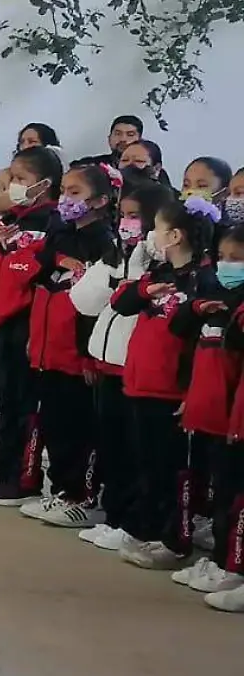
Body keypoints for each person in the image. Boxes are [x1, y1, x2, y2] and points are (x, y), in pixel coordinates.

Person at [109, 197, 219, 571]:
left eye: (155, 228)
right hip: (141, 385)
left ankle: (177, 540)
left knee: (174, 471)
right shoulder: (159, 274)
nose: (150, 235)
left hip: (173, 391)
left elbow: (198, 341)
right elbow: (121, 301)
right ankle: (148, 529)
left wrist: (191, 392)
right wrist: (144, 291)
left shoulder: (203, 281)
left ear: (173, 235)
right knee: (147, 465)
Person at [18, 163, 120, 528]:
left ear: (101, 200)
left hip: (79, 353)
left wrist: (90, 354)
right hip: (49, 348)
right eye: (64, 191)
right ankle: (61, 489)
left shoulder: (105, 243)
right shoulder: (60, 234)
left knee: (80, 427)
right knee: (55, 424)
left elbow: (98, 304)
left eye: (75, 193)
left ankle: (83, 495)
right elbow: (43, 264)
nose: (66, 199)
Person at [74, 181, 171, 552]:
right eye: (123, 216)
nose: (127, 224)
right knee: (111, 444)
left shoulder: (161, 268)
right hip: (107, 361)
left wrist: (137, 272)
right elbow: (83, 301)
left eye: (136, 217)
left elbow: (135, 307)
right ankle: (114, 515)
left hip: (137, 368)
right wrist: (116, 266)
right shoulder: (120, 255)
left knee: (135, 451)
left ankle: (132, 521)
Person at [0, 145, 63, 505]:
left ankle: (24, 478)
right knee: (8, 400)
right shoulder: (15, 218)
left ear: (44, 184)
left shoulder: (52, 223)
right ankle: (3, 473)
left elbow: (44, 273)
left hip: (32, 324)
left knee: (26, 404)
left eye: (20, 179)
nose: (12, 185)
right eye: (11, 178)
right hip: (8, 321)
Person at [174, 223, 244, 596]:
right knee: (216, 492)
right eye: (223, 258)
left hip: (232, 419)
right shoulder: (214, 299)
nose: (227, 266)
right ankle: (218, 558)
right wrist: (199, 306)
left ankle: (229, 564)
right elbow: (180, 327)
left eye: (237, 259)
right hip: (207, 413)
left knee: (233, 496)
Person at [79, 115, 146, 168]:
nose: (123, 139)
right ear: (109, 139)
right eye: (118, 134)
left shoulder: (147, 168)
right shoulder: (92, 165)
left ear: (140, 140)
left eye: (130, 135)